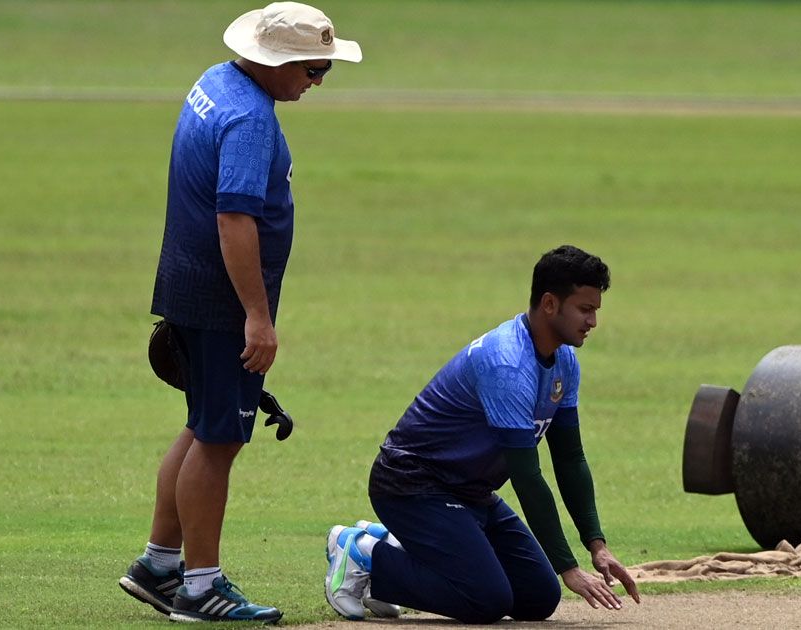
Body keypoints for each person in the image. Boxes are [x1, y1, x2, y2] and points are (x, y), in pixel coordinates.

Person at [118, 2, 361, 623]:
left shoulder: (216, 82)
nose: (317, 82)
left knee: (205, 426)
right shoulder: (251, 119)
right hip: (223, 301)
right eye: (312, 71)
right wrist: (257, 315)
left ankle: (160, 564)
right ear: (274, 61)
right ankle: (200, 588)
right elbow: (234, 218)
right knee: (221, 437)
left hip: (189, 281)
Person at [325, 245, 642, 623]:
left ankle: (401, 548)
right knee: (487, 600)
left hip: (469, 492)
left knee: (538, 597)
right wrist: (569, 567)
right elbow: (527, 476)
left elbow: (570, 458)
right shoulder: (508, 363)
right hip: (412, 485)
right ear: (550, 304)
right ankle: (363, 553)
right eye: (585, 309)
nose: (593, 321)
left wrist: (596, 545)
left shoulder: (564, 362)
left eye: (595, 310)